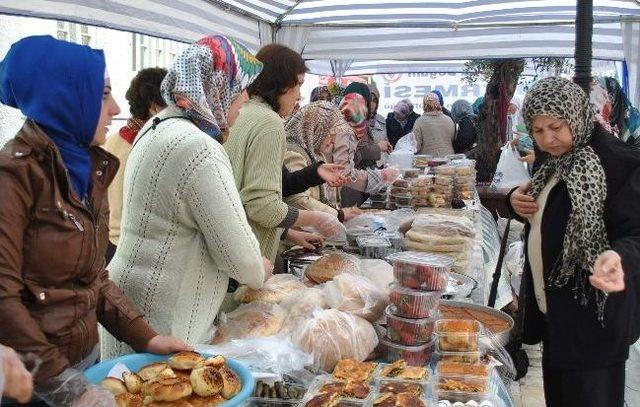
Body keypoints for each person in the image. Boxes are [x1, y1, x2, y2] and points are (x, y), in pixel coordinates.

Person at [0, 35, 188, 405]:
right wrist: (64, 386)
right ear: (65, 98)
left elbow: (93, 277)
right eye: (103, 94)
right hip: (31, 379)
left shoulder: (85, 168)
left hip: (86, 363)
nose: (115, 107)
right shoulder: (13, 177)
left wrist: (145, 336)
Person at [101, 35, 269, 360]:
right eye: (240, 87)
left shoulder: (156, 126)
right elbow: (237, 252)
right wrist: (256, 269)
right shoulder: (199, 147)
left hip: (131, 303)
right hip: (164, 315)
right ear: (217, 87)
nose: (245, 97)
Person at [508, 77, 640, 407]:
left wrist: (617, 258)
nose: (548, 139)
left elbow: (635, 233)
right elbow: (549, 214)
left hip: (594, 322)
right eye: (537, 131)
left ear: (577, 116)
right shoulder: (551, 160)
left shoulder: (619, 163)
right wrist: (516, 202)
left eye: (555, 127)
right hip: (556, 316)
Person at [225, 44, 345, 262]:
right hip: (249, 253)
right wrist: (316, 218)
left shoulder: (243, 112)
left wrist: (315, 173)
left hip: (233, 245)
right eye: (298, 84)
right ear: (280, 83)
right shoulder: (269, 122)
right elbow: (262, 207)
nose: (299, 95)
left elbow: (255, 190)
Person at [103, 67, 167, 263]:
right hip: (139, 251)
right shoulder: (155, 146)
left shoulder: (110, 141)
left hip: (109, 245)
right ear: (154, 105)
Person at [284, 101, 361, 220]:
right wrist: (338, 214)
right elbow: (299, 200)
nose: (333, 141)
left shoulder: (316, 153)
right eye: (330, 135)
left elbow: (319, 197)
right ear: (316, 129)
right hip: (302, 232)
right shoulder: (294, 153)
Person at [368, 83, 389, 166]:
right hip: (366, 167)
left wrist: (387, 145)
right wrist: (378, 146)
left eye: (374, 101)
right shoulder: (358, 120)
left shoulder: (381, 120)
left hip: (382, 164)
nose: (372, 104)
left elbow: (385, 139)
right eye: (369, 100)